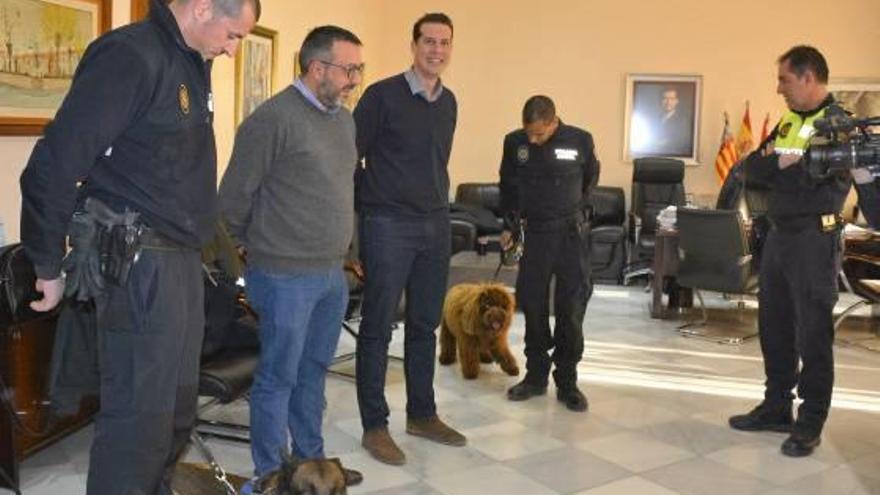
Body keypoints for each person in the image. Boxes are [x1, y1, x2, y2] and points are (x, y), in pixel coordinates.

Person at [18, 0, 258, 493]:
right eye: (233, 35)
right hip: (140, 264)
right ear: (201, 8)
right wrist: (46, 262)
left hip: (182, 262)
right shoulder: (131, 55)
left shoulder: (191, 60)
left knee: (175, 415)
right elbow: (54, 163)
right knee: (138, 427)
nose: (233, 50)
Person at [218, 25, 364, 491]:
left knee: (313, 374)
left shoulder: (344, 121)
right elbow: (232, 201)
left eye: (359, 69)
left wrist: (349, 253)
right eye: (349, 69)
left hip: (330, 274)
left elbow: (343, 192)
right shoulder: (272, 120)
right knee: (278, 377)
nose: (355, 79)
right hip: (282, 275)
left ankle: (311, 464)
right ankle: (270, 474)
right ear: (317, 67)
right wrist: (247, 259)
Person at [728, 45, 857, 457]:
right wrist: (782, 165)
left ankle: (810, 420)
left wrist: (783, 168)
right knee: (775, 327)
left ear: (807, 77)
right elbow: (751, 169)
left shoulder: (839, 125)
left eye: (784, 79)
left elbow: (817, 184)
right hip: (780, 238)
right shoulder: (788, 122)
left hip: (814, 243)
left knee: (813, 333)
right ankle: (776, 407)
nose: (778, 87)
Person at [353, 12, 465, 466]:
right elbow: (350, 160)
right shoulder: (381, 96)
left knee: (424, 325)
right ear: (413, 45)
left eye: (444, 43)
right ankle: (374, 426)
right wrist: (375, 204)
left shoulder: (449, 101)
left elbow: (435, 163)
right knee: (378, 326)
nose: (436, 50)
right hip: (387, 225)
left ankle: (422, 414)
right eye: (429, 41)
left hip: (435, 224)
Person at [498, 95, 599, 412]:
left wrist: (575, 212)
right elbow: (508, 186)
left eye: (539, 133)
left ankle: (567, 381)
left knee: (570, 307)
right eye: (529, 132)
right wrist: (510, 225)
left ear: (554, 122)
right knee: (533, 303)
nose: (533, 139)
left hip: (570, 235)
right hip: (535, 234)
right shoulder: (515, 143)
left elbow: (589, 179)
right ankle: (536, 376)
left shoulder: (580, 140)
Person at [653, 87, 692, 156]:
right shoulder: (654, 119)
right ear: (661, 100)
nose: (668, 102)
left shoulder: (682, 121)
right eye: (665, 98)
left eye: (672, 99)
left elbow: (680, 142)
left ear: (677, 101)